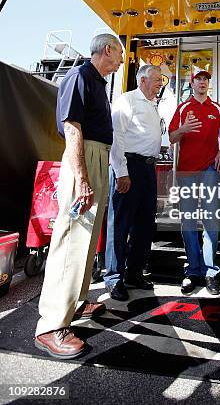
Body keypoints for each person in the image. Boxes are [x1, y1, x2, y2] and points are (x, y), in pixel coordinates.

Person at [35, 33, 123, 359]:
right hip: (82, 160)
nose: (122, 62)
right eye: (120, 55)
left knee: (87, 236)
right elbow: (72, 129)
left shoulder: (98, 82)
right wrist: (83, 182)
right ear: (108, 49)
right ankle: (51, 325)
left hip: (97, 157)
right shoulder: (79, 76)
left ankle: (77, 300)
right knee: (71, 239)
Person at [168, 71, 220, 296]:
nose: (203, 82)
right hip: (186, 172)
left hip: (209, 171)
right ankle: (192, 271)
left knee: (210, 224)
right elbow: (171, 137)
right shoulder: (183, 108)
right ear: (192, 83)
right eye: (199, 79)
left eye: (206, 79)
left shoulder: (217, 108)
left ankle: (210, 272)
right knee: (188, 224)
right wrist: (183, 129)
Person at [105, 64, 163, 301]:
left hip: (148, 169)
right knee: (120, 224)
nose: (161, 83)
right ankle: (114, 278)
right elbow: (116, 136)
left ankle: (134, 273)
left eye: (161, 79)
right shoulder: (127, 101)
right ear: (142, 81)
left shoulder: (152, 105)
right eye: (157, 79)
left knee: (144, 225)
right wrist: (121, 172)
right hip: (130, 167)